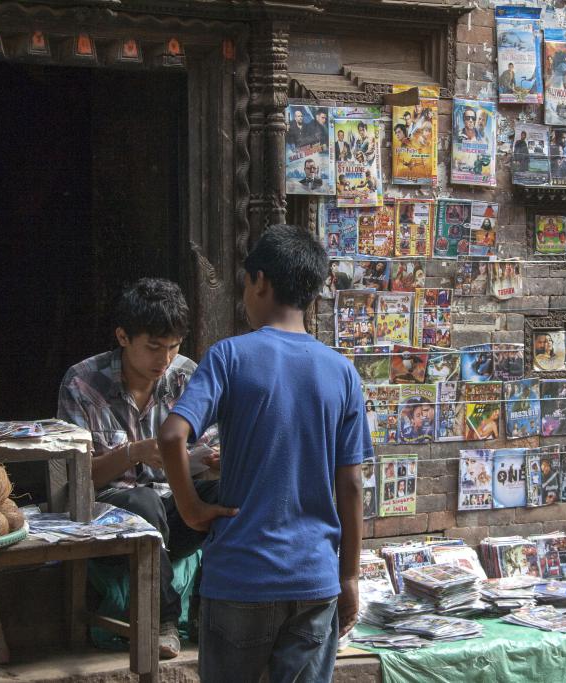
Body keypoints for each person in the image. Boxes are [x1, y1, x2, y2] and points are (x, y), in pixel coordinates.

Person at [158, 224, 370, 683]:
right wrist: (349, 578)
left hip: (241, 576)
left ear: (260, 282)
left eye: (245, 287)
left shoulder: (229, 356)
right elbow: (351, 484)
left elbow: (173, 435)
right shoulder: (342, 373)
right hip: (314, 579)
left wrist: (191, 508)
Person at [57, 278, 224, 660]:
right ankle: (164, 620)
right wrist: (132, 453)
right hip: (108, 517)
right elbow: (76, 479)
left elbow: (209, 443)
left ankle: (206, 611)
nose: (164, 360)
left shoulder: (185, 375)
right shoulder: (82, 382)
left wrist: (212, 460)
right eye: (153, 347)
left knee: (232, 493)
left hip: (178, 508)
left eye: (173, 347)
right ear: (122, 337)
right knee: (146, 501)